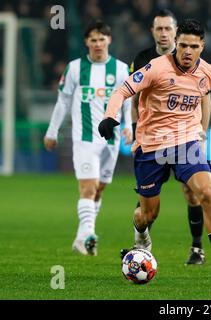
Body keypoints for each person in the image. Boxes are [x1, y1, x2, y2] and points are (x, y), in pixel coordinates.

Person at [98, 19, 211, 283]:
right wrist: (110, 116)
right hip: (151, 146)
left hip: (187, 143)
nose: (187, 51)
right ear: (176, 43)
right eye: (182, 45)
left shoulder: (210, 73)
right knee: (147, 214)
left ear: (202, 46)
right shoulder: (156, 68)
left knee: (206, 192)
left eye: (193, 46)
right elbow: (123, 91)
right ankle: (141, 236)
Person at [125, 9, 211, 265]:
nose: (163, 33)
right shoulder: (143, 59)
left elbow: (205, 100)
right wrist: (135, 130)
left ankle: (197, 248)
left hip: (186, 137)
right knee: (148, 208)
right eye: (158, 28)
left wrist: (201, 132)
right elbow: (133, 98)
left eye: (167, 28)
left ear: (176, 32)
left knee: (193, 192)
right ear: (152, 31)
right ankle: (140, 241)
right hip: (152, 141)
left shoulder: (192, 59)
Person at [44, 20, 132, 256]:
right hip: (84, 139)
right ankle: (90, 235)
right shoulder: (74, 68)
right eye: (93, 40)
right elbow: (62, 101)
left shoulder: (121, 69)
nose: (98, 44)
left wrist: (129, 126)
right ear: (86, 42)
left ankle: (81, 238)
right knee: (88, 187)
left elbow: (128, 100)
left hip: (110, 141)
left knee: (99, 190)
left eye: (102, 39)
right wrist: (52, 131)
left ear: (109, 41)